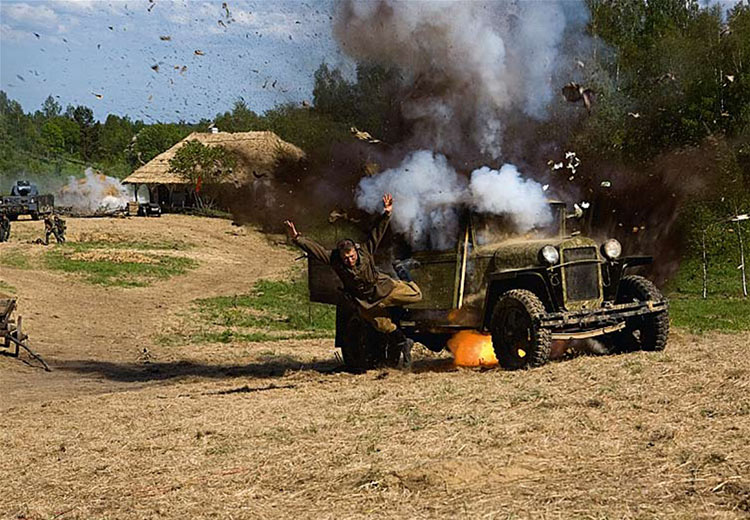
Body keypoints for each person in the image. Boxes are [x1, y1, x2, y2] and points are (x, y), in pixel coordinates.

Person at [285, 193, 422, 368]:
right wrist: (297, 238)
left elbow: (377, 232)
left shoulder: (365, 250)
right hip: (366, 302)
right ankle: (403, 341)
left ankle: (402, 271)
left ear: (355, 252)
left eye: (351, 256)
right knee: (383, 326)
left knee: (417, 295)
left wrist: (387, 213)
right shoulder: (335, 259)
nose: (349, 260)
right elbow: (316, 250)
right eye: (346, 258)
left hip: (384, 289)